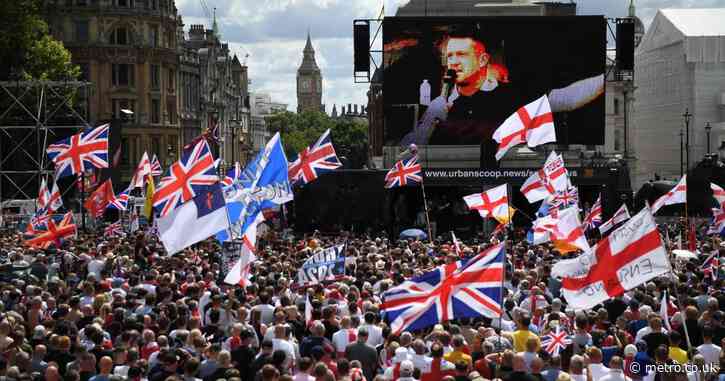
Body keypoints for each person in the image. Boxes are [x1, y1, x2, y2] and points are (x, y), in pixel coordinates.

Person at [400, 35, 604, 165]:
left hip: (505, 175)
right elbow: (406, 151)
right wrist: (429, 121)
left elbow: (566, 99)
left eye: (461, 55)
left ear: (482, 60)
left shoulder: (511, 95)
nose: (454, 62)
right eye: (450, 56)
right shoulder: (440, 104)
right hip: (449, 177)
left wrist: (609, 76)